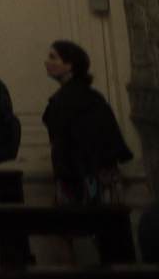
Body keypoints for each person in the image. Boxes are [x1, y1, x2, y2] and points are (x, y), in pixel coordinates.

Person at [42, 39, 132, 205]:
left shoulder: (63, 101)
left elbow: (63, 144)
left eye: (53, 57)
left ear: (69, 65)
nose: (47, 62)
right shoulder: (93, 97)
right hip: (103, 175)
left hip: (76, 179)